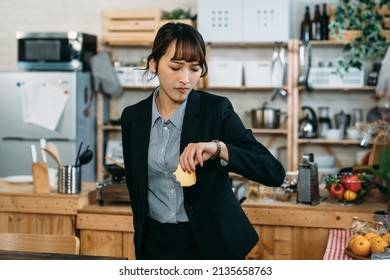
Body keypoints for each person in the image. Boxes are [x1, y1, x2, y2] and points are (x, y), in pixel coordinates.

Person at [121, 22, 286, 260]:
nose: (186, 79)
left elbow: (273, 172)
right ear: (154, 64)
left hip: (210, 245)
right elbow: (136, 189)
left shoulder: (216, 110)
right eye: (176, 67)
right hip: (154, 244)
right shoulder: (133, 118)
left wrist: (219, 148)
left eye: (195, 69)